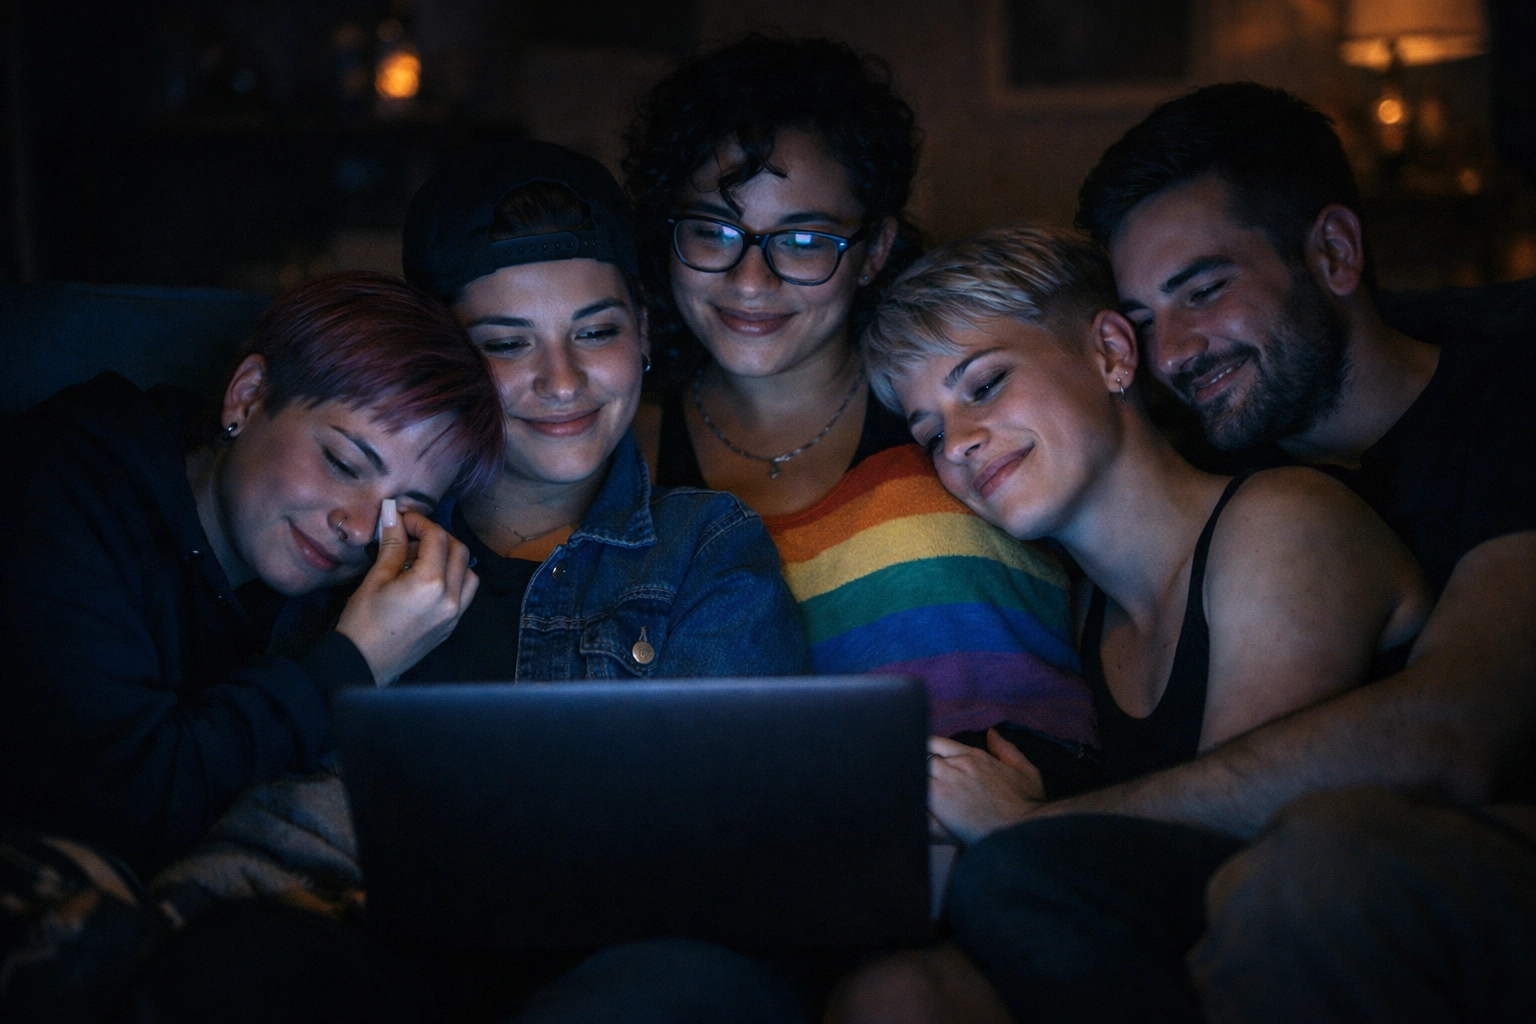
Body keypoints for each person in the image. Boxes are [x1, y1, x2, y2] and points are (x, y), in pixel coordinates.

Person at [870, 83, 1535, 1024]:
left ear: (1336, 252)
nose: (1173, 352)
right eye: (1144, 319)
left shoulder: (1456, 425)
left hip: (1412, 873)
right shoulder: (1184, 486)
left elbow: (1439, 739)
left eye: (1206, 289)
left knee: (1283, 877)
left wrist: (1033, 830)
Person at [834, 223, 1432, 1023]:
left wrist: (1024, 827)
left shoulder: (1281, 523)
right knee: (895, 992)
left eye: (983, 385)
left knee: (1008, 879)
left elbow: (1247, 851)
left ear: (1112, 353)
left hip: (1356, 949)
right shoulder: (1077, 609)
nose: (962, 444)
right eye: (932, 433)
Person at [625, 33, 1097, 796]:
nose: (751, 280)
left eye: (804, 240)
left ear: (874, 249)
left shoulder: (963, 424)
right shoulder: (620, 454)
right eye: (713, 231)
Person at [0, 272, 504, 880]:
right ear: (246, 396)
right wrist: (353, 662)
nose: (358, 526)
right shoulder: (60, 488)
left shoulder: (369, 591)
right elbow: (121, 810)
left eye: (405, 510)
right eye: (344, 463)